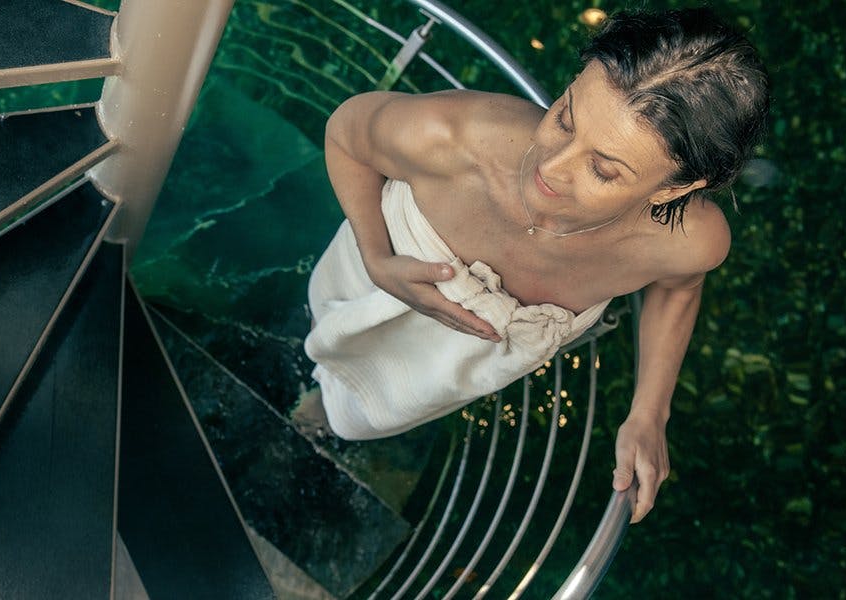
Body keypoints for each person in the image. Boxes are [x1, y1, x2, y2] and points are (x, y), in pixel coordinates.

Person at [299, 8, 770, 524]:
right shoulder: (450, 140)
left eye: (603, 169)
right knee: (324, 322)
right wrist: (376, 257)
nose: (550, 167)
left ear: (674, 189)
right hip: (375, 280)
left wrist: (650, 411)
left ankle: (334, 414)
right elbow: (346, 133)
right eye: (565, 116)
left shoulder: (687, 241)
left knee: (382, 406)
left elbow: (680, 289)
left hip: (450, 365)